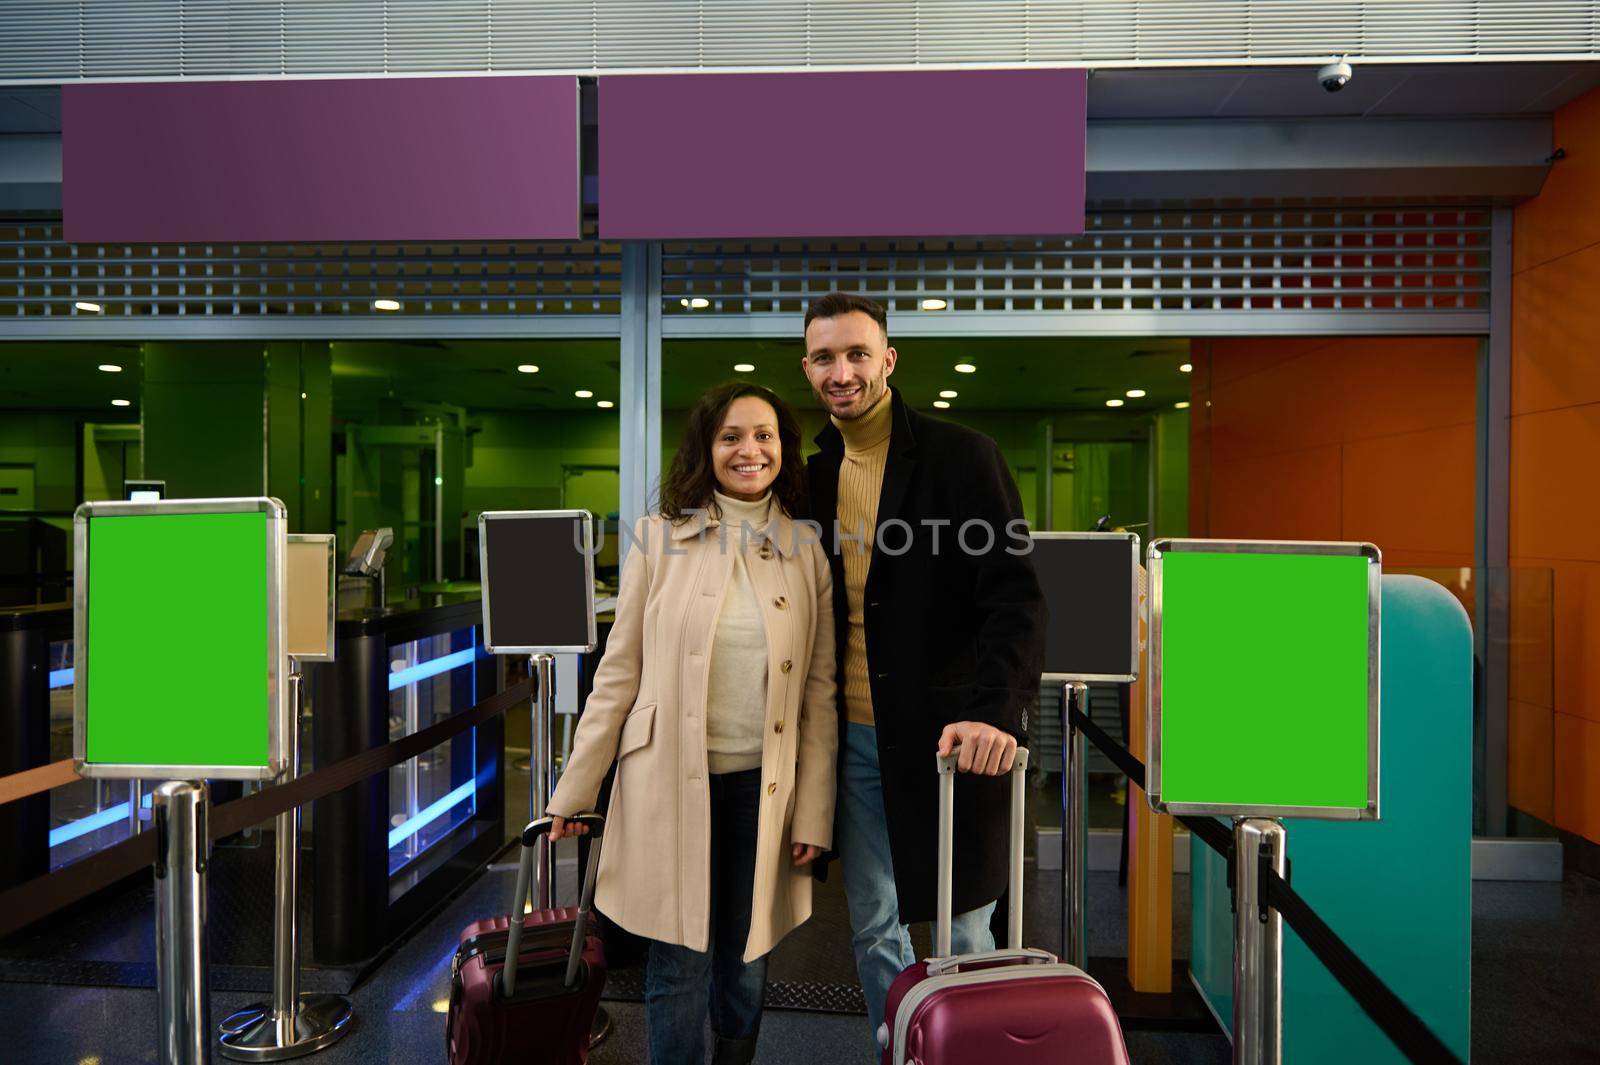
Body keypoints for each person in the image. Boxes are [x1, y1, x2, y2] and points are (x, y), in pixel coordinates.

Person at [546, 382, 838, 1065]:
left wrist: (814, 817)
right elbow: (617, 673)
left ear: (782, 450)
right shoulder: (657, 537)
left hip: (762, 792)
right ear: (707, 448)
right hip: (668, 784)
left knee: (745, 957)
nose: (750, 449)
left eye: (765, 435)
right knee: (677, 959)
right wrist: (575, 787)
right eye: (732, 435)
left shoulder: (806, 549)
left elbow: (818, 698)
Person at [799, 291, 1046, 1049]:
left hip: (949, 742)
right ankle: (903, 1047)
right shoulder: (811, 476)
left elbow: (1016, 598)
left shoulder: (960, 456)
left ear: (889, 360)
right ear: (806, 367)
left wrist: (994, 711)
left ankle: (967, 1051)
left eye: (857, 354)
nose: (841, 372)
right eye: (824, 358)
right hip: (854, 744)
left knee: (960, 927)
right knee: (874, 925)